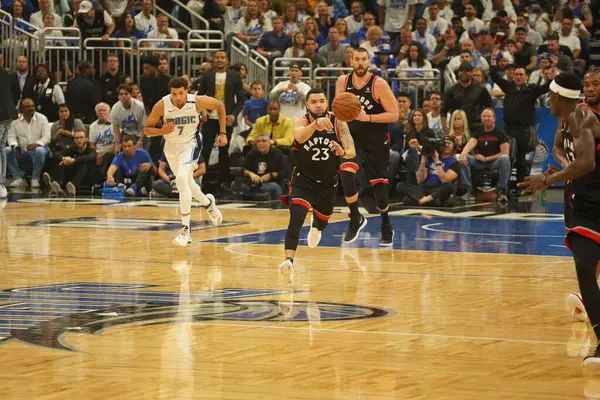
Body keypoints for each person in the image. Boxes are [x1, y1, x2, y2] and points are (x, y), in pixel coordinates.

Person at [518, 70, 600, 367]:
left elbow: (588, 162)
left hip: (593, 203)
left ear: (555, 97)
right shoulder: (571, 120)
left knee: (586, 266)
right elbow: (577, 159)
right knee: (585, 265)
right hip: (584, 200)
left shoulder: (581, 117)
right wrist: (563, 172)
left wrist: (547, 181)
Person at [280, 88, 356, 284]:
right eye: (314, 102)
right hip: (303, 180)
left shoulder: (339, 121)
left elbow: (352, 151)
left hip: (328, 184)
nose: (319, 105)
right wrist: (315, 124)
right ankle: (289, 261)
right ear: (307, 105)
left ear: (327, 102)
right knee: (296, 216)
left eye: (322, 100)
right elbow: (299, 138)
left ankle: (317, 225)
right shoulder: (301, 121)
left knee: (322, 222)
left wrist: (341, 152)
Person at [144, 77, 225, 247]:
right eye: (174, 94)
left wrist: (223, 133)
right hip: (171, 148)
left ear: (187, 90)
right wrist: (161, 130)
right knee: (188, 184)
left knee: (181, 179)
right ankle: (208, 203)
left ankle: (186, 230)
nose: (178, 97)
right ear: (170, 93)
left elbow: (219, 106)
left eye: (181, 93)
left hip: (191, 144)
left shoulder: (197, 101)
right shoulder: (162, 105)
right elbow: (147, 130)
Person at [335, 47, 399, 246]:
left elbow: (394, 114)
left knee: (378, 184)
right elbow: (338, 111)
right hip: (352, 138)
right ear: (351, 61)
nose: (360, 63)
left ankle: (386, 224)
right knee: (346, 174)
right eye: (357, 59)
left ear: (369, 61)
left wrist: (367, 117)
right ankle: (355, 217)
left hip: (376, 139)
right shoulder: (342, 82)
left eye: (364, 59)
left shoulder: (378, 84)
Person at [459, 108, 511, 202]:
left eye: (489, 116)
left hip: (494, 162)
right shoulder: (478, 131)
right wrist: (463, 154)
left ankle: (501, 190)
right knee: (461, 157)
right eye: (484, 116)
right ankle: (468, 189)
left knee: (505, 158)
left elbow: (505, 152)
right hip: (479, 162)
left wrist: (487, 158)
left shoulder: (500, 132)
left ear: (494, 118)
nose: (486, 118)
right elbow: (471, 143)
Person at [397, 136, 459, 207]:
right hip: (425, 187)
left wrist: (437, 162)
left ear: (454, 147)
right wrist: (423, 161)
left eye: (449, 143)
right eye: (444, 143)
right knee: (400, 186)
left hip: (439, 188)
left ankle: (422, 200)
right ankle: (430, 200)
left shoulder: (454, 162)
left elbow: (444, 180)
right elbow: (419, 179)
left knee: (449, 186)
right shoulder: (430, 158)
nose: (446, 145)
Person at [0, 65, 16, 199]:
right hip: (8, 114)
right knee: (1, 147)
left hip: (1, 115)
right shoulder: (5, 71)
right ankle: (1, 183)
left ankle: (0, 184)